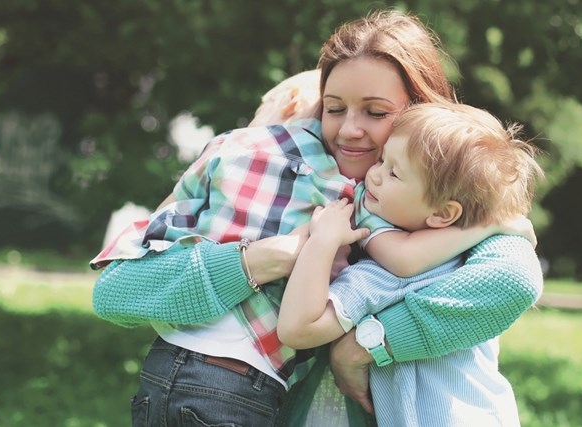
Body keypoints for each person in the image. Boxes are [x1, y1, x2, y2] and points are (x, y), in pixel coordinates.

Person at [90, 9, 540, 427]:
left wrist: (363, 346)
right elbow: (115, 290)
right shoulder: (279, 167)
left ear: (423, 115)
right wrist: (262, 259)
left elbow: (512, 281)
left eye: (377, 112)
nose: (348, 130)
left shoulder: (466, 196)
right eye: (333, 108)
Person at [278, 102, 543, 426]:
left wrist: (322, 240)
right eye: (382, 159)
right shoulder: (472, 262)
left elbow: (296, 328)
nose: (373, 175)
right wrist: (491, 224)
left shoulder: (388, 277)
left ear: (444, 214)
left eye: (393, 172)